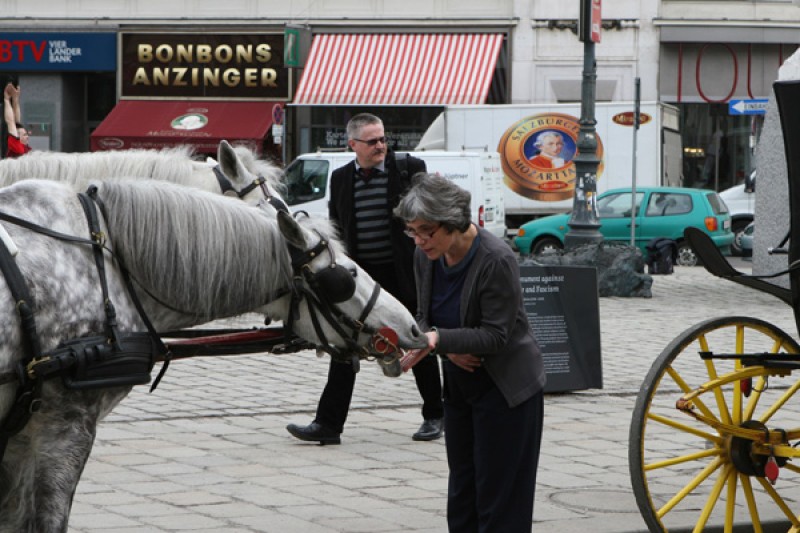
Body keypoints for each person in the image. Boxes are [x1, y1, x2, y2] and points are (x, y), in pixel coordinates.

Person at [395, 173, 546, 533]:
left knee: (499, 499)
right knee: (463, 493)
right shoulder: (426, 256)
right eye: (411, 231)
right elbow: (425, 318)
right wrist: (441, 347)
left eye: (425, 231)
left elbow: (496, 335)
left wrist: (440, 342)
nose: (418, 240)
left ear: (452, 222)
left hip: (506, 389)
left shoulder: (496, 259)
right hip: (462, 386)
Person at [286, 113, 444, 444]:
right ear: (353, 145)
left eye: (383, 139)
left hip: (405, 275)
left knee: (416, 337)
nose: (381, 146)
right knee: (344, 343)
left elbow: (429, 211)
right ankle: (328, 425)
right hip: (361, 277)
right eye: (372, 141)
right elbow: (337, 226)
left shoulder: (409, 168)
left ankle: (435, 415)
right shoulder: (341, 178)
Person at [3, 82, 32, 158]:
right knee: (12, 123)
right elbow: (10, 122)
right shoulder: (17, 147)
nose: (27, 136)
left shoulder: (24, 147)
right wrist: (6, 99)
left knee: (17, 122)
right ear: (17, 137)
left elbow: (17, 121)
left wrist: (15, 99)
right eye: (24, 135)